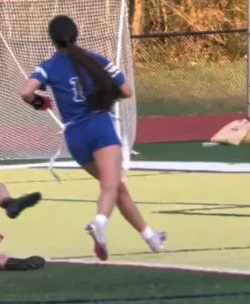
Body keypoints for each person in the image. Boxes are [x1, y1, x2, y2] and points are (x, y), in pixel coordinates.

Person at [17, 14, 166, 261]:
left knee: (117, 187)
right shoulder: (96, 60)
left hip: (74, 136)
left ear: (52, 40)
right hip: (99, 126)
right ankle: (100, 222)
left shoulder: (50, 65)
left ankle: (151, 237)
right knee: (111, 185)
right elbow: (126, 91)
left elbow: (26, 92)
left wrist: (38, 102)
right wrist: (106, 96)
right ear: (77, 34)